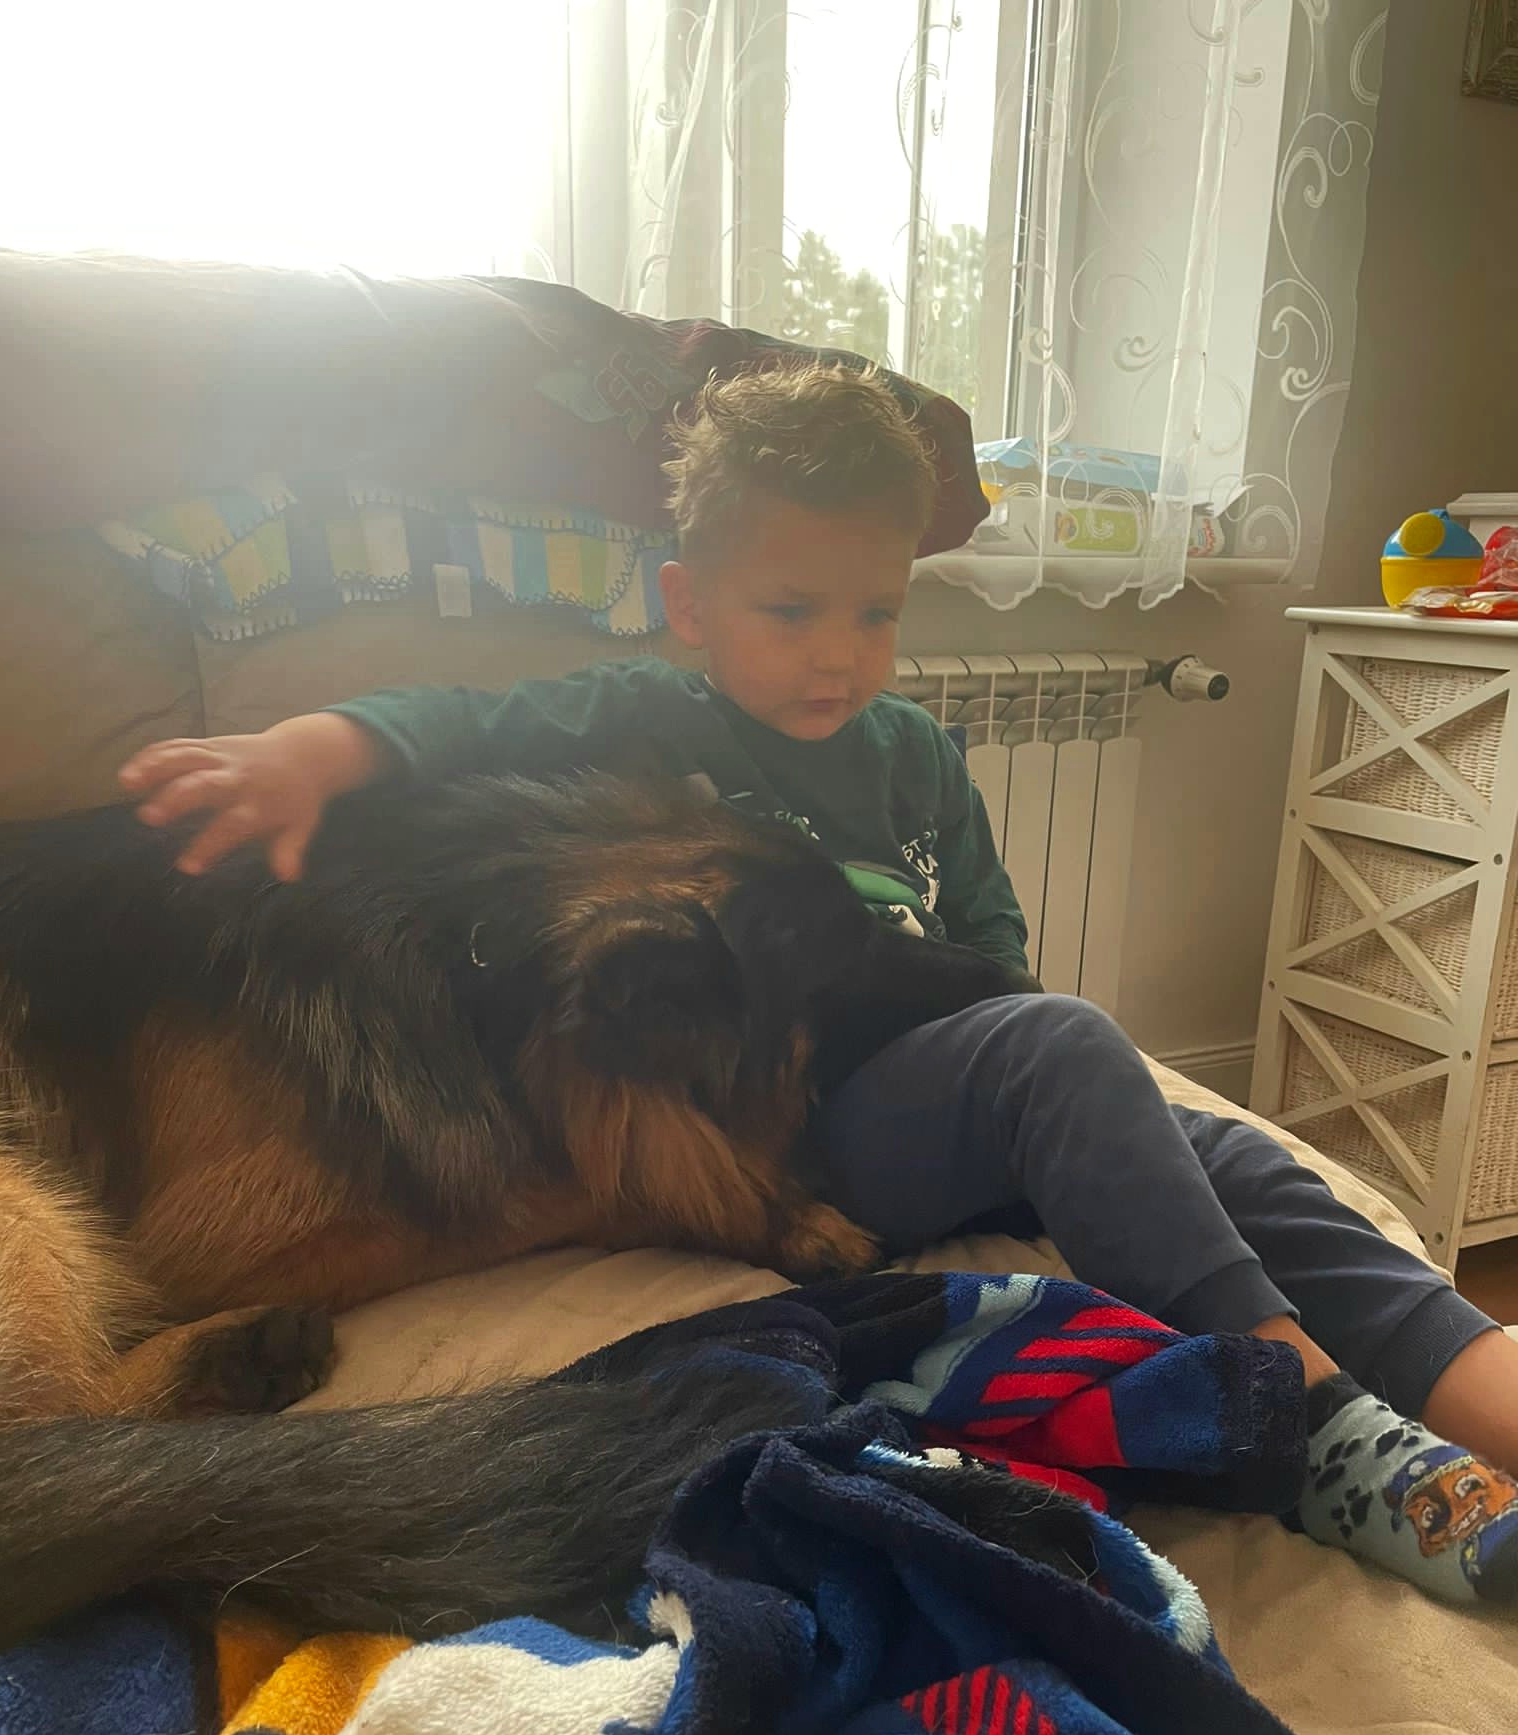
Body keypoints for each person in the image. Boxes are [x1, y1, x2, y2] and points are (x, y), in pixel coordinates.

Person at [118, 362, 1518, 1605]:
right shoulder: (649, 716)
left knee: (1221, 1156)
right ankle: (1313, 1427)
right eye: (789, 610)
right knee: (1065, 1051)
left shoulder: (916, 755)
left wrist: (1057, 1102)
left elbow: (995, 956)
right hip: (797, 1131)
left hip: (951, 1096)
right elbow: (461, 726)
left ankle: (1479, 1382)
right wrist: (309, 750)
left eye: (874, 612)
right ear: (689, 605)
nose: (837, 652)